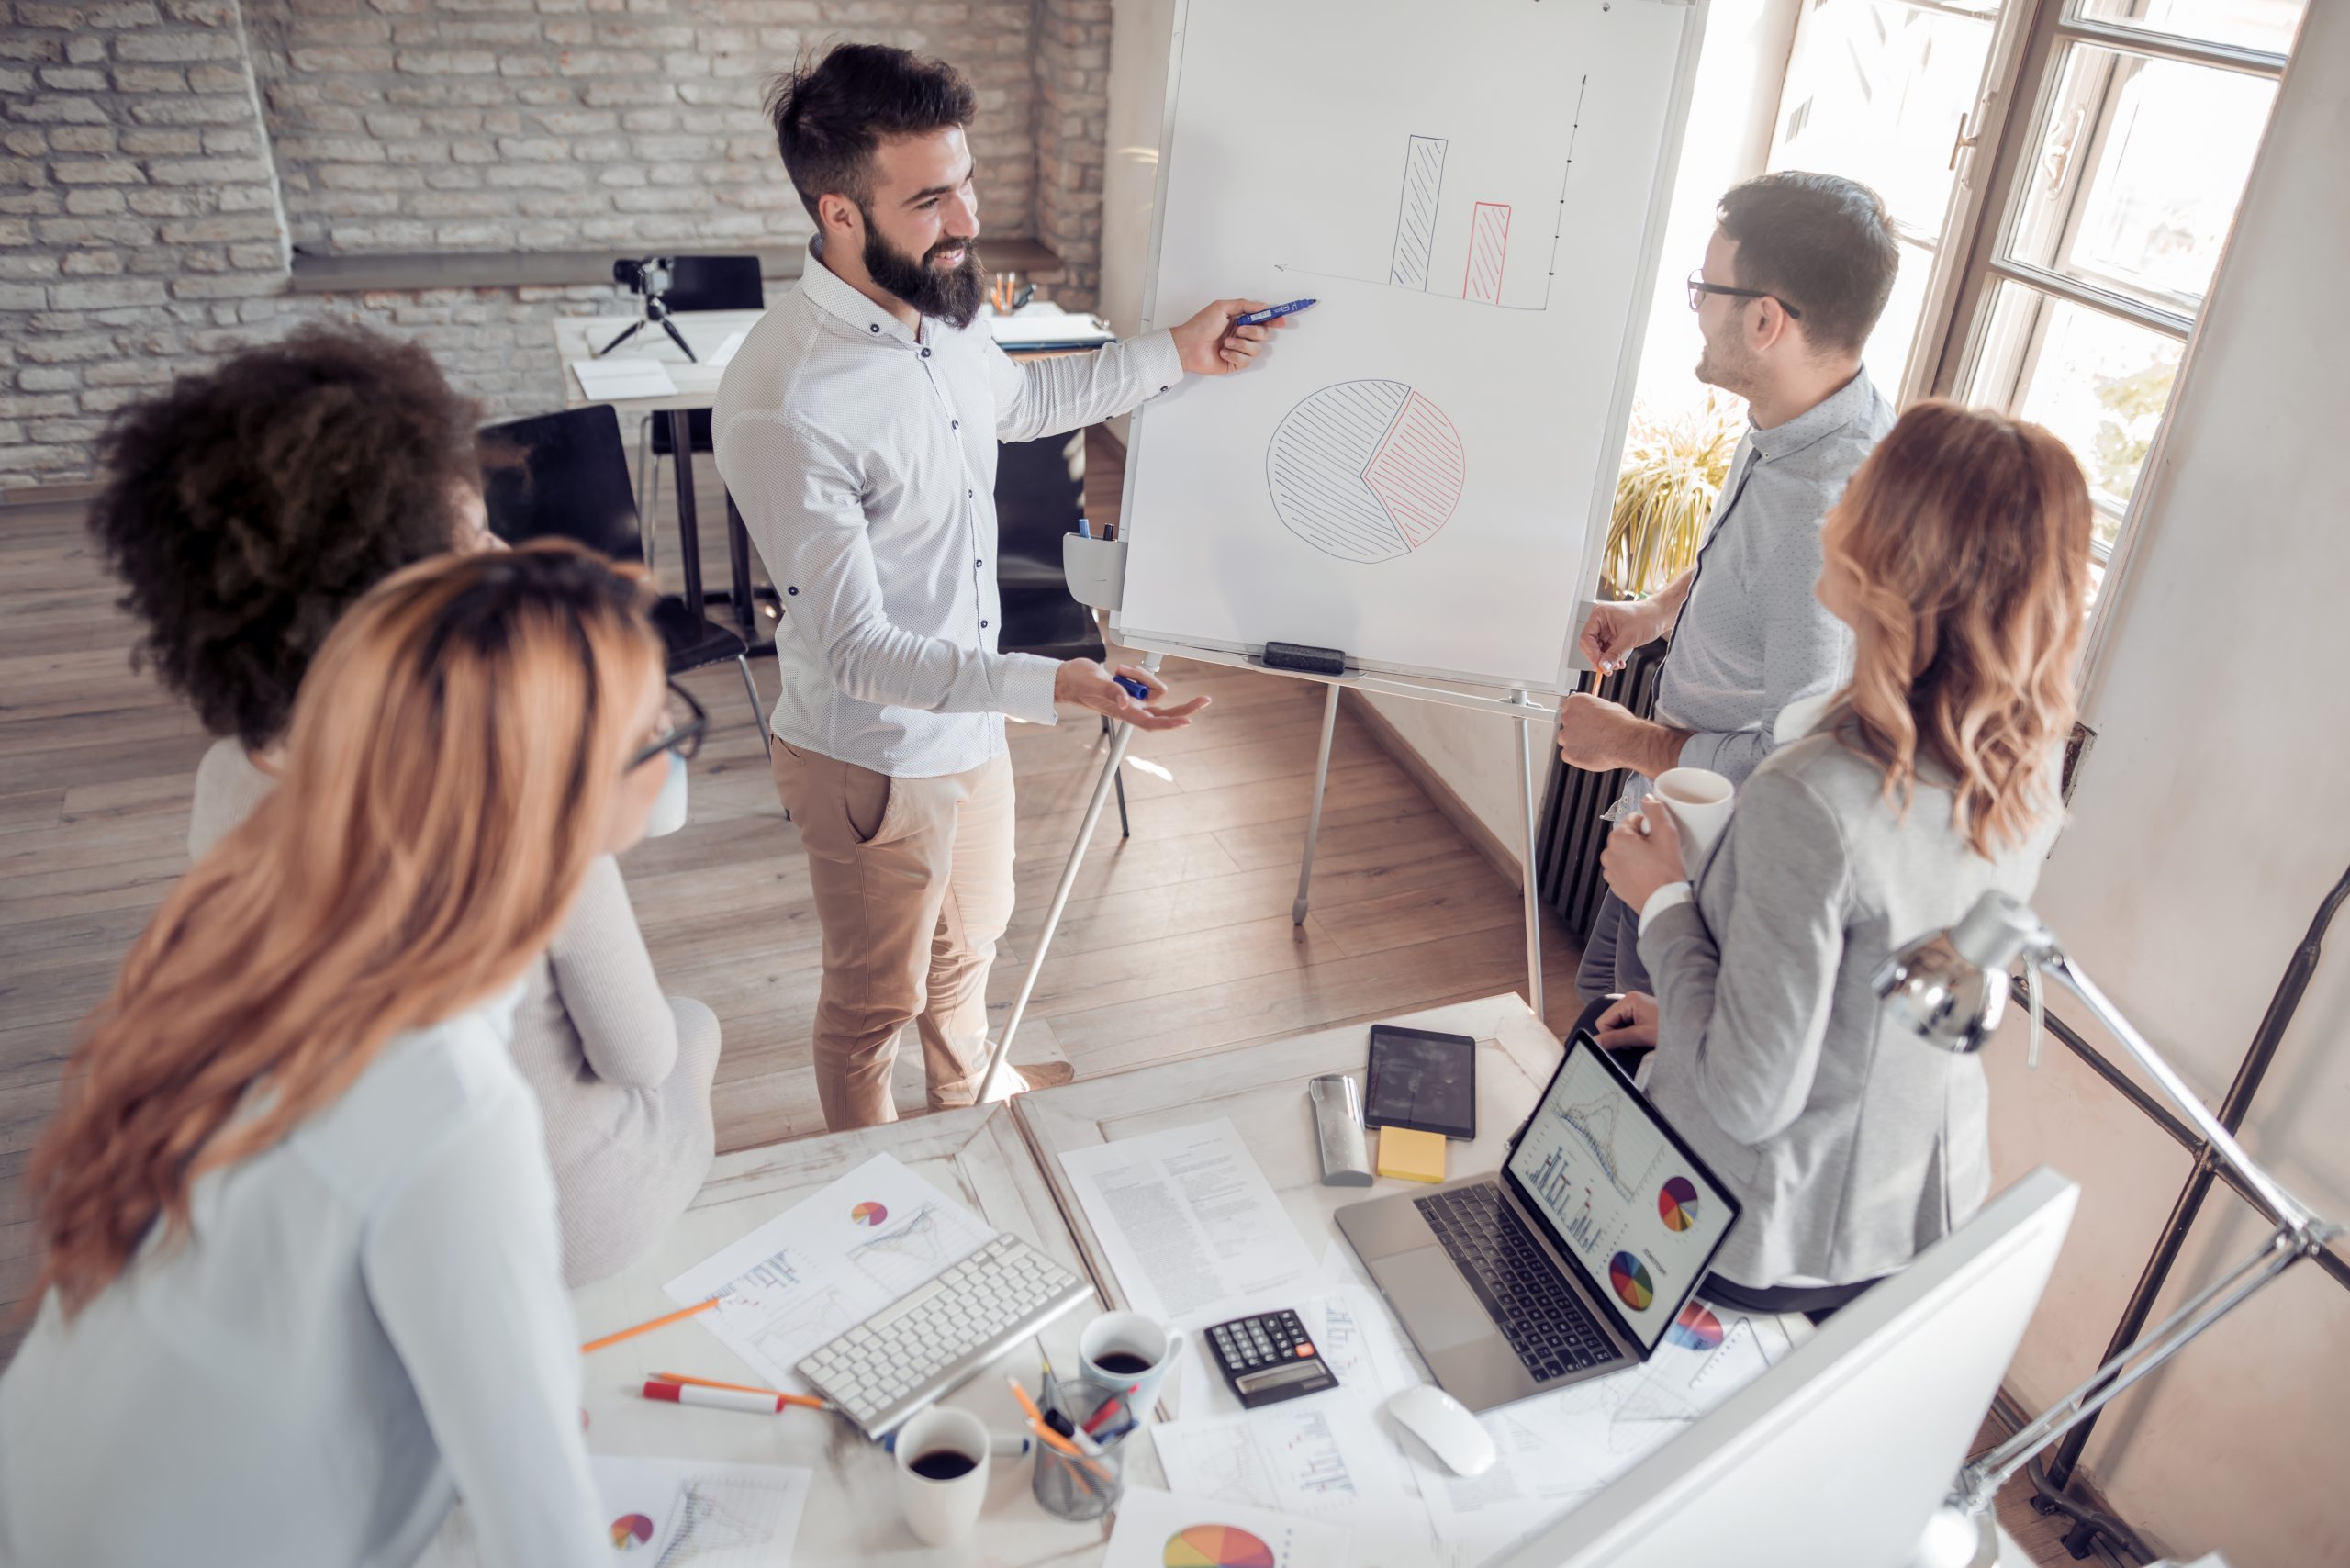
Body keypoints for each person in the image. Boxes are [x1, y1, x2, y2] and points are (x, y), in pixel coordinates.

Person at [0, 545, 677, 1566]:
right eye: (659, 730)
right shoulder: (452, 1106)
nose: (673, 746)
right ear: (566, 801)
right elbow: (551, 1542)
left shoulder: (264, 949)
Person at [716, 43, 1296, 1131]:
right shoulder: (785, 403)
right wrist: (1055, 683)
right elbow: (858, 653)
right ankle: (875, 1180)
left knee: (971, 952)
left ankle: (965, 1113)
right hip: (871, 757)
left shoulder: (938, 304)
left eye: (966, 179)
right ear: (839, 213)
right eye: (930, 197)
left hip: (973, 729)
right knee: (871, 1001)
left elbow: (1020, 405)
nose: (966, 216)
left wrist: (1176, 352)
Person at [86, 326, 720, 1284]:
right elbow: (635, 1051)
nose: (507, 550)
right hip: (568, 1221)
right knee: (695, 1030)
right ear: (393, 610)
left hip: (380, 1230)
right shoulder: (513, 783)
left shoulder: (227, 780)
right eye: (473, 539)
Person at [1595, 402, 2095, 1316]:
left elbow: (1749, 1101)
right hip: (1912, 1211)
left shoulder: (1813, 794)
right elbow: (1876, 996)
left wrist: (1662, 899)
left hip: (1764, 1228)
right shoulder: (2025, 757)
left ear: (1895, 555)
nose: (1831, 512)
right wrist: (1695, 1017)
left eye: (1857, 494)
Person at [1557, 173, 1901, 1030]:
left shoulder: (1822, 513)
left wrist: (1630, 742)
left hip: (1718, 873)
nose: (1695, 308)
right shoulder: (1803, 416)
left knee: (1634, 1084)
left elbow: (1798, 765)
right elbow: (1744, 560)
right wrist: (1656, 613)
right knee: (1604, 1032)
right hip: (1669, 823)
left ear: (1764, 319)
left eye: (1704, 289)